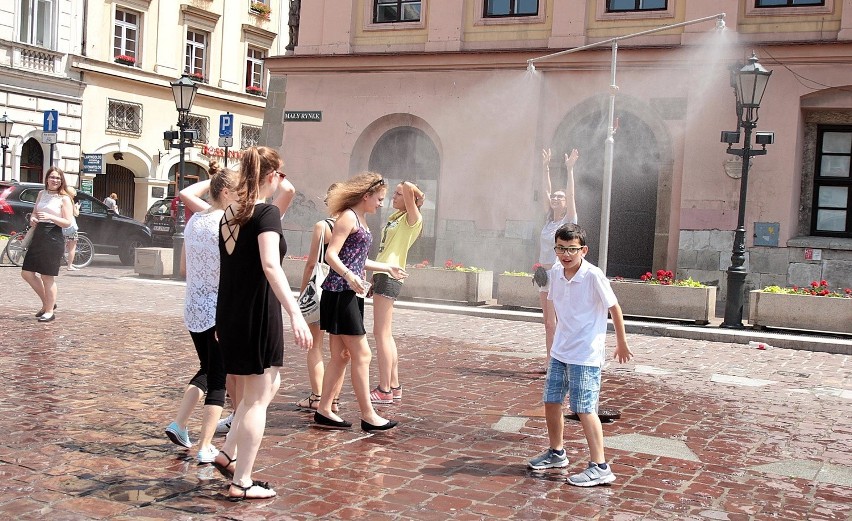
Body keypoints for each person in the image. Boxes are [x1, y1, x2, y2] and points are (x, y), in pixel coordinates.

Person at [211, 146, 311, 501]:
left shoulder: (229, 214)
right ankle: (242, 481)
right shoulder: (265, 213)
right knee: (256, 400)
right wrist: (295, 312)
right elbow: (271, 266)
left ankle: (227, 452)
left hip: (231, 312)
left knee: (269, 387)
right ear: (272, 176)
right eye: (279, 175)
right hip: (257, 312)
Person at [527, 223, 633, 487]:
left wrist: (621, 343)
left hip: (585, 353)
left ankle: (600, 466)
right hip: (562, 350)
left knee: (584, 408)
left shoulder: (593, 275)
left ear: (583, 250)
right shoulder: (555, 272)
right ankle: (556, 453)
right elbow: (557, 309)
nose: (565, 254)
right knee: (551, 401)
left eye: (571, 249)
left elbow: (615, 308)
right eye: (560, 249)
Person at [312, 172, 406, 432]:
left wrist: (387, 268)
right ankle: (368, 415)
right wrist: (350, 276)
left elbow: (355, 258)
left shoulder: (359, 218)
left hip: (348, 292)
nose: (381, 203)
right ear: (366, 196)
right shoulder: (348, 217)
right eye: (379, 198)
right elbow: (331, 255)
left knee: (342, 356)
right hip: (341, 292)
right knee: (361, 354)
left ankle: (324, 410)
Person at [163, 163, 239, 464]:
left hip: (193, 307)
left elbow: (183, 268)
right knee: (218, 377)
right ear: (225, 192)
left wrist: (213, 179)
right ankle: (206, 445)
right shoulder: (226, 222)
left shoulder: (197, 219)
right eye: (238, 191)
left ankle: (179, 425)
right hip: (217, 310)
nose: (243, 196)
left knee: (207, 370)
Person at [369, 181, 424, 404]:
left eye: (398, 194)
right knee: (385, 333)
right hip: (383, 274)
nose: (393, 196)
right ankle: (394, 385)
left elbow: (410, 187)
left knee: (380, 333)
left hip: (391, 275)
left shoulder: (413, 219)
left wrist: (416, 194)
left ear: (411, 199)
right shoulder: (397, 219)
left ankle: (384, 389)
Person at [296, 184, 346, 413]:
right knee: (340, 352)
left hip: (321, 289)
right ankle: (333, 399)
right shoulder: (354, 226)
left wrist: (303, 290)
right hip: (343, 291)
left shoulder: (323, 226)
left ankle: (317, 396)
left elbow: (311, 263)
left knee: (315, 345)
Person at [538, 148, 579, 361]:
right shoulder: (548, 220)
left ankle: (563, 359)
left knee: (559, 321)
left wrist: (569, 169)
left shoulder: (567, 221)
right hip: (543, 275)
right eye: (554, 196)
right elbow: (545, 191)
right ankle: (549, 361)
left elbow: (571, 195)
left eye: (559, 197)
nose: (555, 198)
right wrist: (545, 168)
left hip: (558, 276)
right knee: (548, 323)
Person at [21, 167, 75, 323]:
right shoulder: (41, 194)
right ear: (46, 179)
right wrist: (32, 218)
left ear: (61, 181)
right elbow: (35, 212)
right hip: (39, 234)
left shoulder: (64, 198)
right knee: (27, 273)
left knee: (47, 275)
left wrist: (51, 216)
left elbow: (68, 222)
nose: (55, 180)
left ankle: (49, 311)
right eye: (52, 177)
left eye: (58, 178)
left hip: (53, 236)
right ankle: (48, 302)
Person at [64, 187, 81, 271]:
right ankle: (69, 265)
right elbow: (76, 214)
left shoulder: (62, 200)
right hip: (71, 227)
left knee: (62, 246)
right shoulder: (70, 201)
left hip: (62, 226)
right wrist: (77, 207)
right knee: (72, 247)